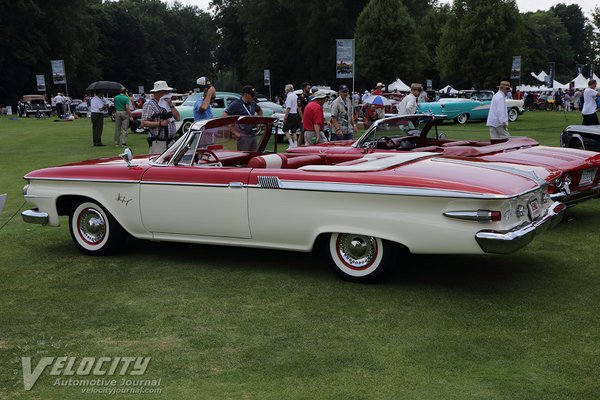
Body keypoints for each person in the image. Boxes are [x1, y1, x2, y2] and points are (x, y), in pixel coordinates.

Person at [141, 80, 181, 154]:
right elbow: (143, 123)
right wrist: (160, 123)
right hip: (158, 143)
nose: (167, 94)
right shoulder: (149, 105)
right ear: (158, 92)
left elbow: (178, 117)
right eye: (165, 92)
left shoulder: (168, 103)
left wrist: (171, 104)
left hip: (171, 142)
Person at [223, 85, 263, 151]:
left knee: (254, 155)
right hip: (243, 136)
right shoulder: (236, 104)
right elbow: (224, 116)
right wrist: (234, 132)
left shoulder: (252, 103)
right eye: (251, 95)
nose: (253, 97)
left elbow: (259, 110)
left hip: (253, 135)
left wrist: (259, 121)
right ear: (245, 94)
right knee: (244, 156)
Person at [282, 84, 300, 148]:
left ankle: (291, 144)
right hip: (295, 114)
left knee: (285, 130)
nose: (284, 89)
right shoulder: (295, 96)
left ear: (287, 89)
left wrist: (285, 117)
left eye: (285, 88)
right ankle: (295, 144)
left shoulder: (289, 97)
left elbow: (288, 107)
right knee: (293, 131)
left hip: (291, 114)